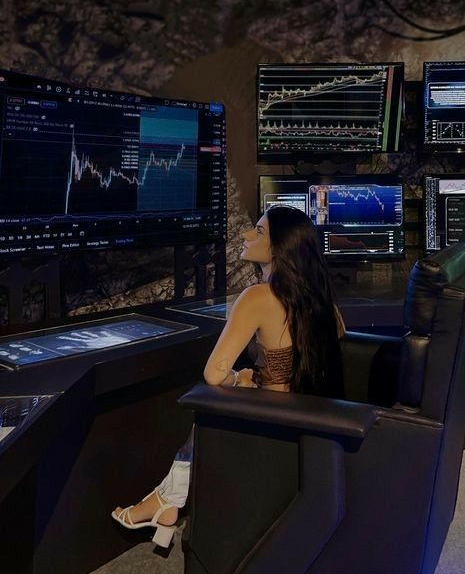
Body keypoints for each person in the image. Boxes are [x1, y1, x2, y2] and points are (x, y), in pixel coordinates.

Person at [111, 206, 345, 546]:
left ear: (280, 246)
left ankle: (166, 501)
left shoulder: (259, 297)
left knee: (210, 399)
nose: (248, 235)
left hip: (271, 420)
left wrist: (243, 379)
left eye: (260, 231)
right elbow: (335, 337)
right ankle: (166, 502)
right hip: (311, 418)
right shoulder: (320, 293)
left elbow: (215, 373)